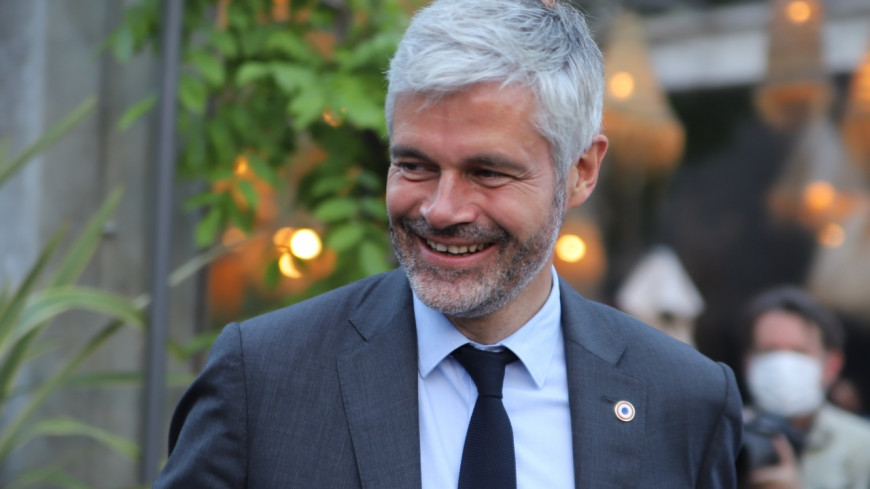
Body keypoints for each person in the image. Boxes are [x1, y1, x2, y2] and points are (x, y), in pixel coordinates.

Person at [154, 0, 742, 487]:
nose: (440, 209)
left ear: (581, 171)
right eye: (415, 165)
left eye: (487, 172)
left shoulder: (684, 401)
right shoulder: (264, 378)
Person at [740, 286, 870, 489]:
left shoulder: (863, 446)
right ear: (749, 363)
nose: (783, 364)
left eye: (799, 352)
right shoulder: (726, 433)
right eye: (769, 351)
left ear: (832, 365)